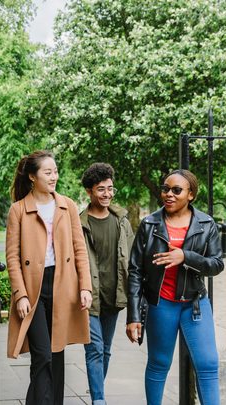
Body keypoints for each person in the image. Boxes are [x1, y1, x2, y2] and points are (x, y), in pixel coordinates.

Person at [126, 169, 224, 405]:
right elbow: (135, 271)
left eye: (176, 190)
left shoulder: (206, 223)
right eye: (165, 189)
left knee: (208, 364)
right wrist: (133, 316)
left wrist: (186, 257)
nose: (169, 194)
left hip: (195, 305)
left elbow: (216, 264)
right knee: (159, 364)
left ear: (190, 194)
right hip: (161, 304)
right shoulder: (150, 224)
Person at [5, 150, 93, 405]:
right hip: (33, 287)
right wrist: (20, 294)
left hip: (63, 284)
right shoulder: (18, 210)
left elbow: (80, 249)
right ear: (33, 176)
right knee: (42, 354)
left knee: (56, 353)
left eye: (55, 171)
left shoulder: (67, 205)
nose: (54, 176)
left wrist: (85, 287)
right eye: (48, 172)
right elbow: (13, 257)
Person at [79, 163, 135, 405]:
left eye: (110, 189)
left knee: (107, 349)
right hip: (90, 296)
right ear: (90, 191)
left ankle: (96, 393)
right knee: (95, 349)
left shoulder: (121, 220)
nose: (107, 194)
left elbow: (131, 257)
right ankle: (98, 400)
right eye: (101, 189)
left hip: (114, 295)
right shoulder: (79, 222)